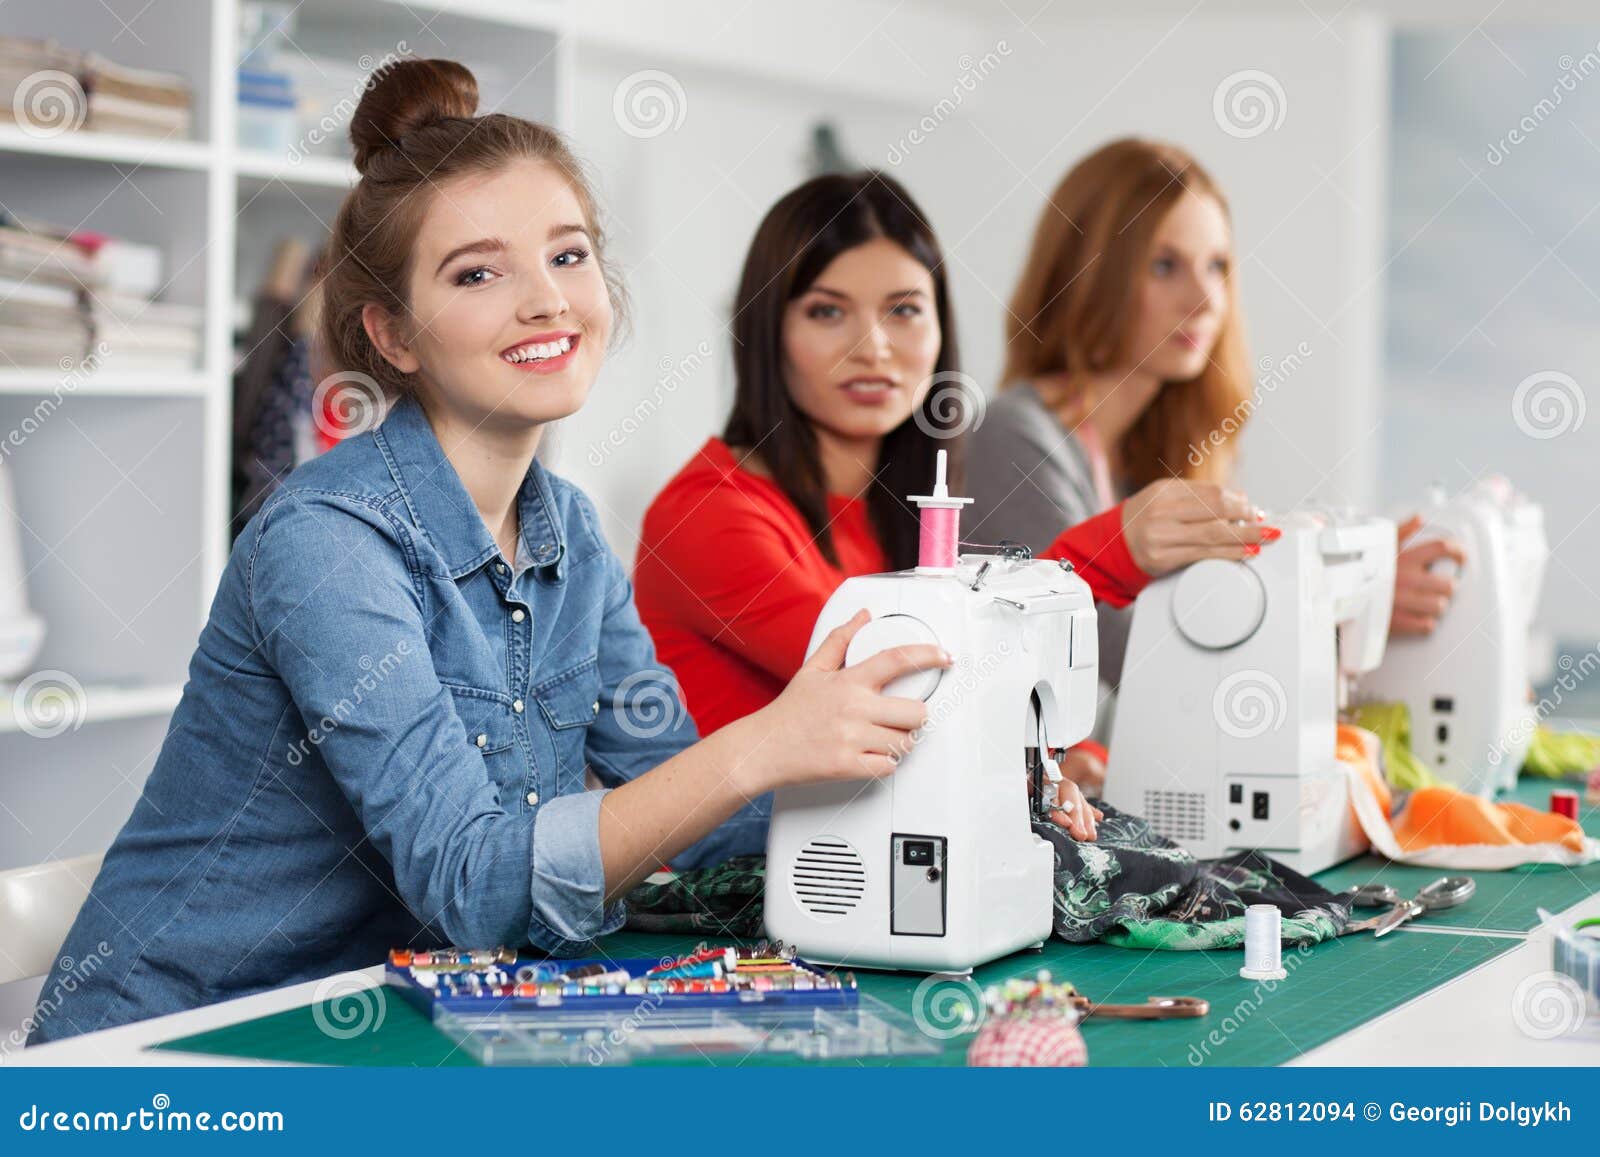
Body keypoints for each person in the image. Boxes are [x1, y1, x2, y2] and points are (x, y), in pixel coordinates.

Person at [27, 61, 950, 1044]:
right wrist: (757, 747)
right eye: (478, 272)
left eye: (569, 255)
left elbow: (694, 806)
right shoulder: (326, 546)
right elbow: (472, 882)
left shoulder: (572, 537)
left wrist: (916, 783)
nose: (546, 301)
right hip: (166, 1052)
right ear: (393, 333)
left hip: (386, 1030)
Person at [635, 171, 1274, 836]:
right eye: (828, 311)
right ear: (768, 332)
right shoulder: (708, 514)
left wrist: (1066, 759)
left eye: (905, 309)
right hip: (727, 898)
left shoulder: (898, 515)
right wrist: (1116, 548)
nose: (873, 346)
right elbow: (904, 681)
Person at [966, 138, 1465, 787]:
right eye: (1165, 266)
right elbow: (1140, 661)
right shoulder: (1016, 438)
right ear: (1088, 272)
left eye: (1218, 266)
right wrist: (1337, 610)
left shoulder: (1153, 451)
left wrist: (1344, 589)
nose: (1205, 300)